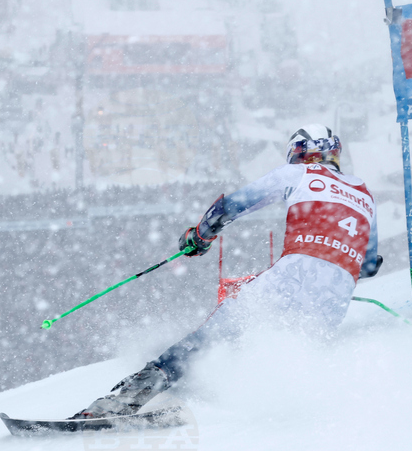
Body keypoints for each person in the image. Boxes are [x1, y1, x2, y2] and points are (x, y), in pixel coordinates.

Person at [72, 124, 383, 419]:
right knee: (277, 347)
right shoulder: (366, 195)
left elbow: (231, 206)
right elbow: (368, 266)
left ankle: (124, 400)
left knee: (214, 335)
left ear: (298, 152)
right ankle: (242, 403)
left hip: (292, 276)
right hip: (334, 302)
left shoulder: (298, 173)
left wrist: (200, 236)